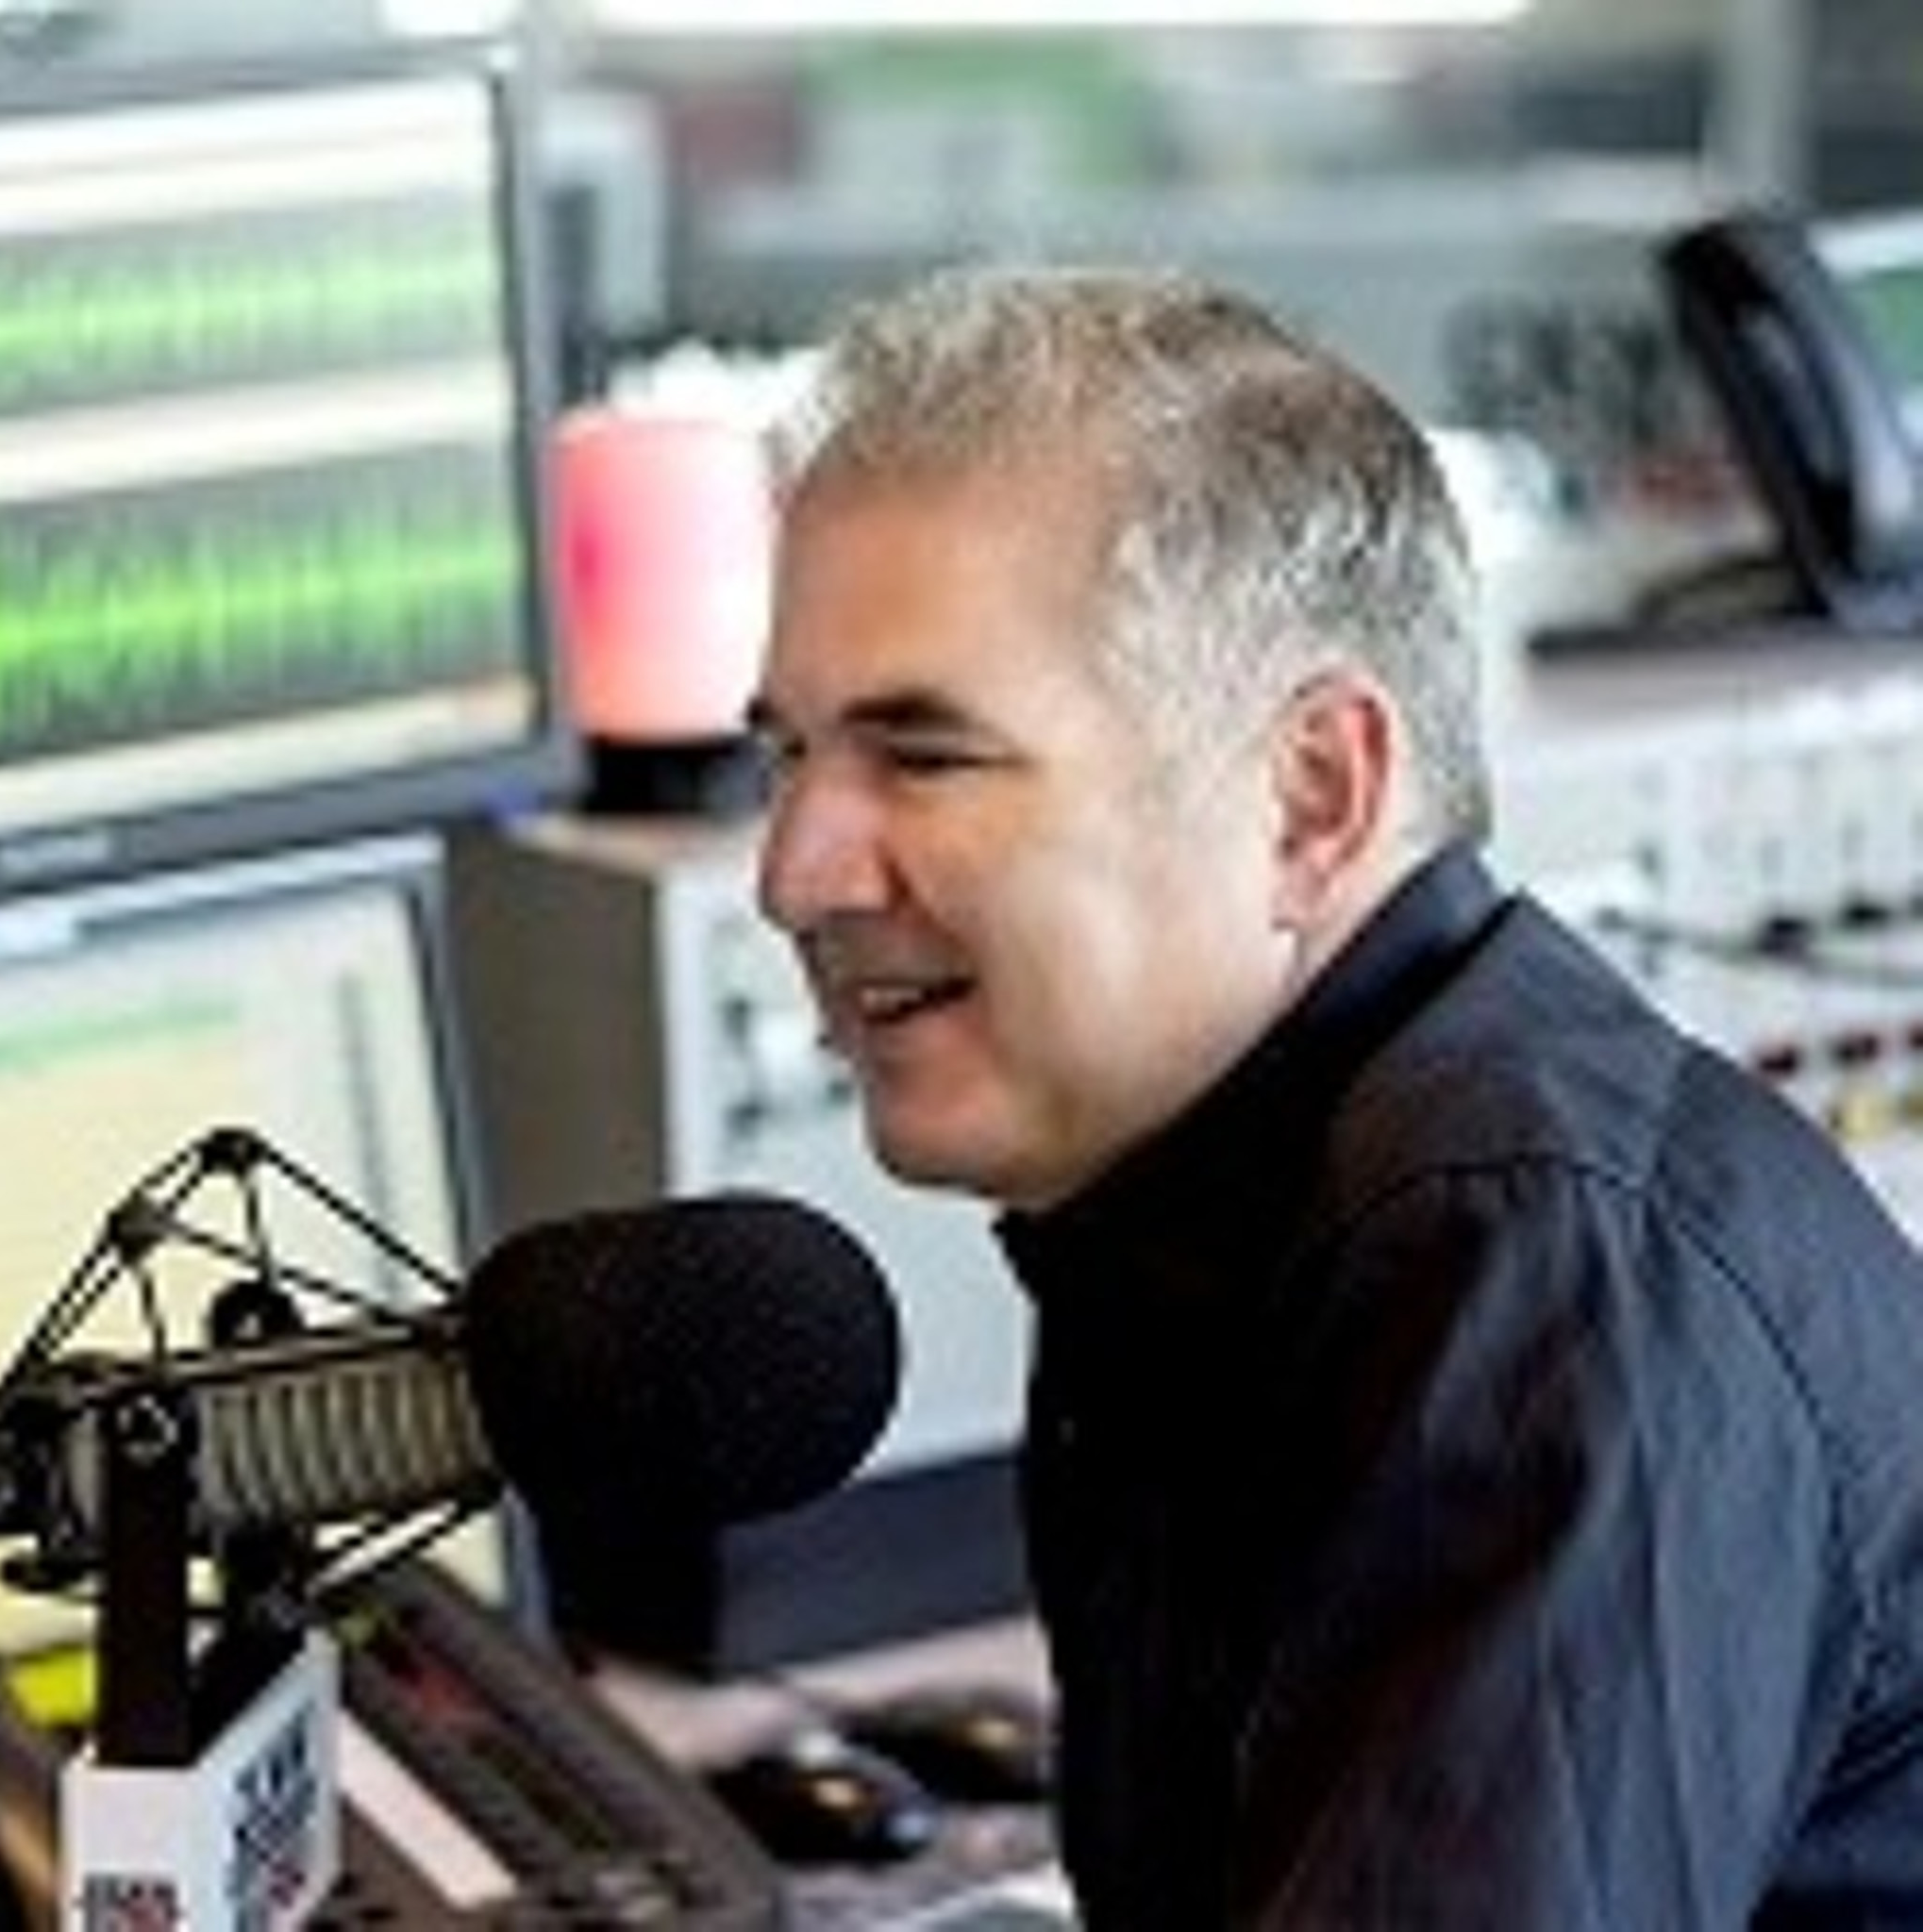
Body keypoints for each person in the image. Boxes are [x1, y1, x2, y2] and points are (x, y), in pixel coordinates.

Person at [745, 265, 1923, 1929]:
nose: (793, 870)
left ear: (1312, 796)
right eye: (785, 755)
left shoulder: (1537, 1273)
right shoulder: (1204, 1206)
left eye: (923, 755)